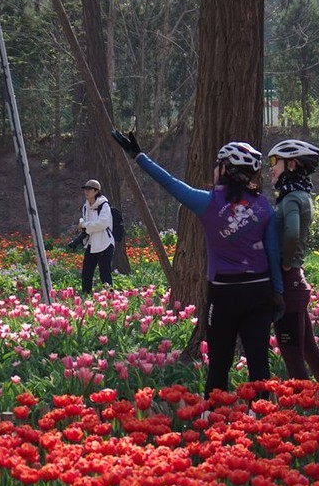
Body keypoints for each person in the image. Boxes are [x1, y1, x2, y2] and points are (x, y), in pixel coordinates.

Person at [111, 130, 284, 397]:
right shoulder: (263, 206)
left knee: (219, 366)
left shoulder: (208, 203)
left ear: (225, 169)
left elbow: (170, 183)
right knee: (259, 365)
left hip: (224, 294)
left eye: (217, 165)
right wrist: (278, 292)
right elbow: (272, 251)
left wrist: (139, 157)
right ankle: (263, 416)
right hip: (259, 291)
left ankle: (214, 416)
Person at [267, 139, 319, 383]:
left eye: (275, 161)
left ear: (292, 164)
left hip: (288, 282)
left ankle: (303, 405)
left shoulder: (292, 198)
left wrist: (286, 262)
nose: (271, 167)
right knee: (308, 348)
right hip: (295, 282)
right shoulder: (300, 195)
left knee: (292, 356)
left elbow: (292, 233)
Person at [77, 178, 114, 294]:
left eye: (90, 189)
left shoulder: (104, 205)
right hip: (91, 244)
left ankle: (110, 296)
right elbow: (86, 221)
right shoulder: (85, 206)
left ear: (96, 191)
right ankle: (86, 296)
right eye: (85, 189)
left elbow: (101, 224)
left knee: (105, 274)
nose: (86, 192)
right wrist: (82, 223)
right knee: (86, 273)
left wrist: (84, 225)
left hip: (104, 244)